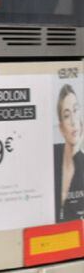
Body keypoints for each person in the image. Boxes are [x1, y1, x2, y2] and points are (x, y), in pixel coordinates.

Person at [54, 84, 84, 222]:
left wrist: (78, 148)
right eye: (66, 115)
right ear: (61, 128)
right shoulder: (52, 157)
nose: (73, 121)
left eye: (76, 111)